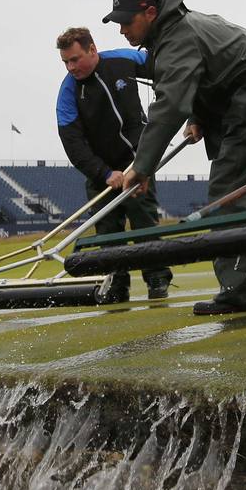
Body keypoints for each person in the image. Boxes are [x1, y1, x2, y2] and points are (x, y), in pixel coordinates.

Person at [109, 0, 246, 315]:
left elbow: (170, 104)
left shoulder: (177, 36)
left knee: (229, 196)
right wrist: (198, 116)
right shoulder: (177, 30)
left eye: (126, 21)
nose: (121, 30)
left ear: (150, 13)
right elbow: (205, 78)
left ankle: (238, 291)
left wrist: (141, 166)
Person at [55, 26, 172, 301]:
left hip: (137, 161)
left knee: (145, 222)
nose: (71, 67)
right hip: (101, 171)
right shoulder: (68, 93)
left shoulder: (123, 60)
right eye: (65, 62)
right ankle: (117, 285)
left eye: (75, 59)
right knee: (108, 234)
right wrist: (104, 173)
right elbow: (73, 144)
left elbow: (165, 66)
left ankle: (157, 279)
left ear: (92, 50)